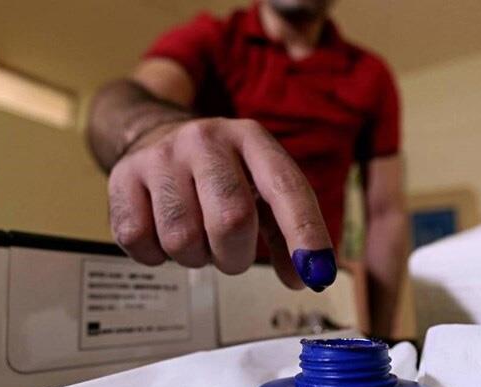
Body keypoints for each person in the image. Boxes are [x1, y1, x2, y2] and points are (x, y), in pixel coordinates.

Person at [87, 0, 406, 337]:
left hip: (307, 300)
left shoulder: (370, 74)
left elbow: (385, 214)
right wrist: (150, 131)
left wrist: (381, 337)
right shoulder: (212, 37)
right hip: (195, 295)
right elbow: (118, 103)